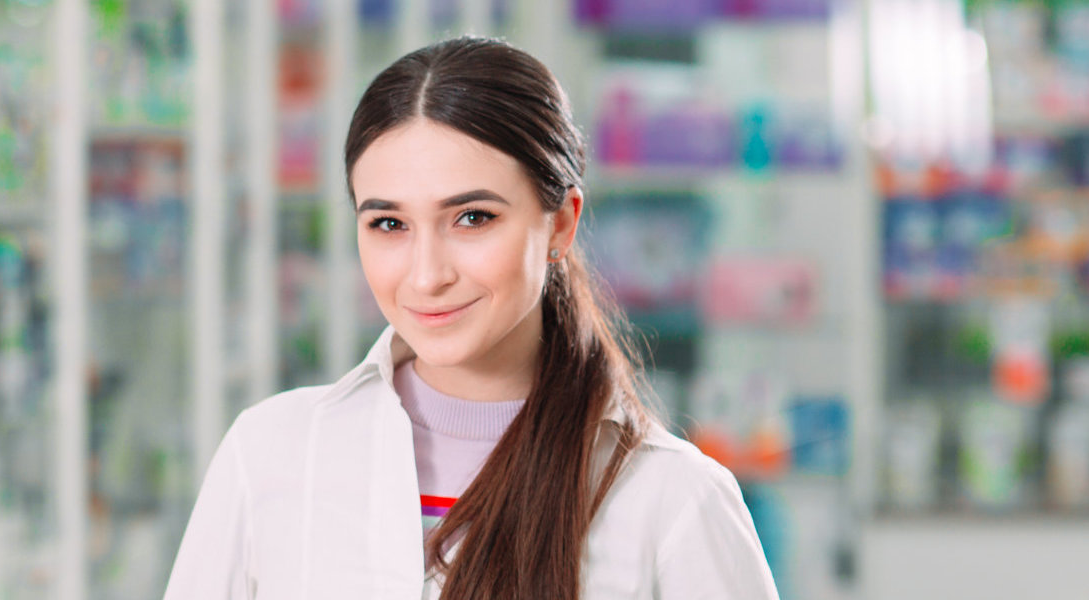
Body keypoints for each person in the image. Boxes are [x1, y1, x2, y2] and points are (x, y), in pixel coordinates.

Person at [163, 36, 778, 599]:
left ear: (561, 222)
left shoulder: (672, 502)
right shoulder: (272, 453)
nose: (428, 275)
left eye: (473, 218)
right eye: (389, 224)